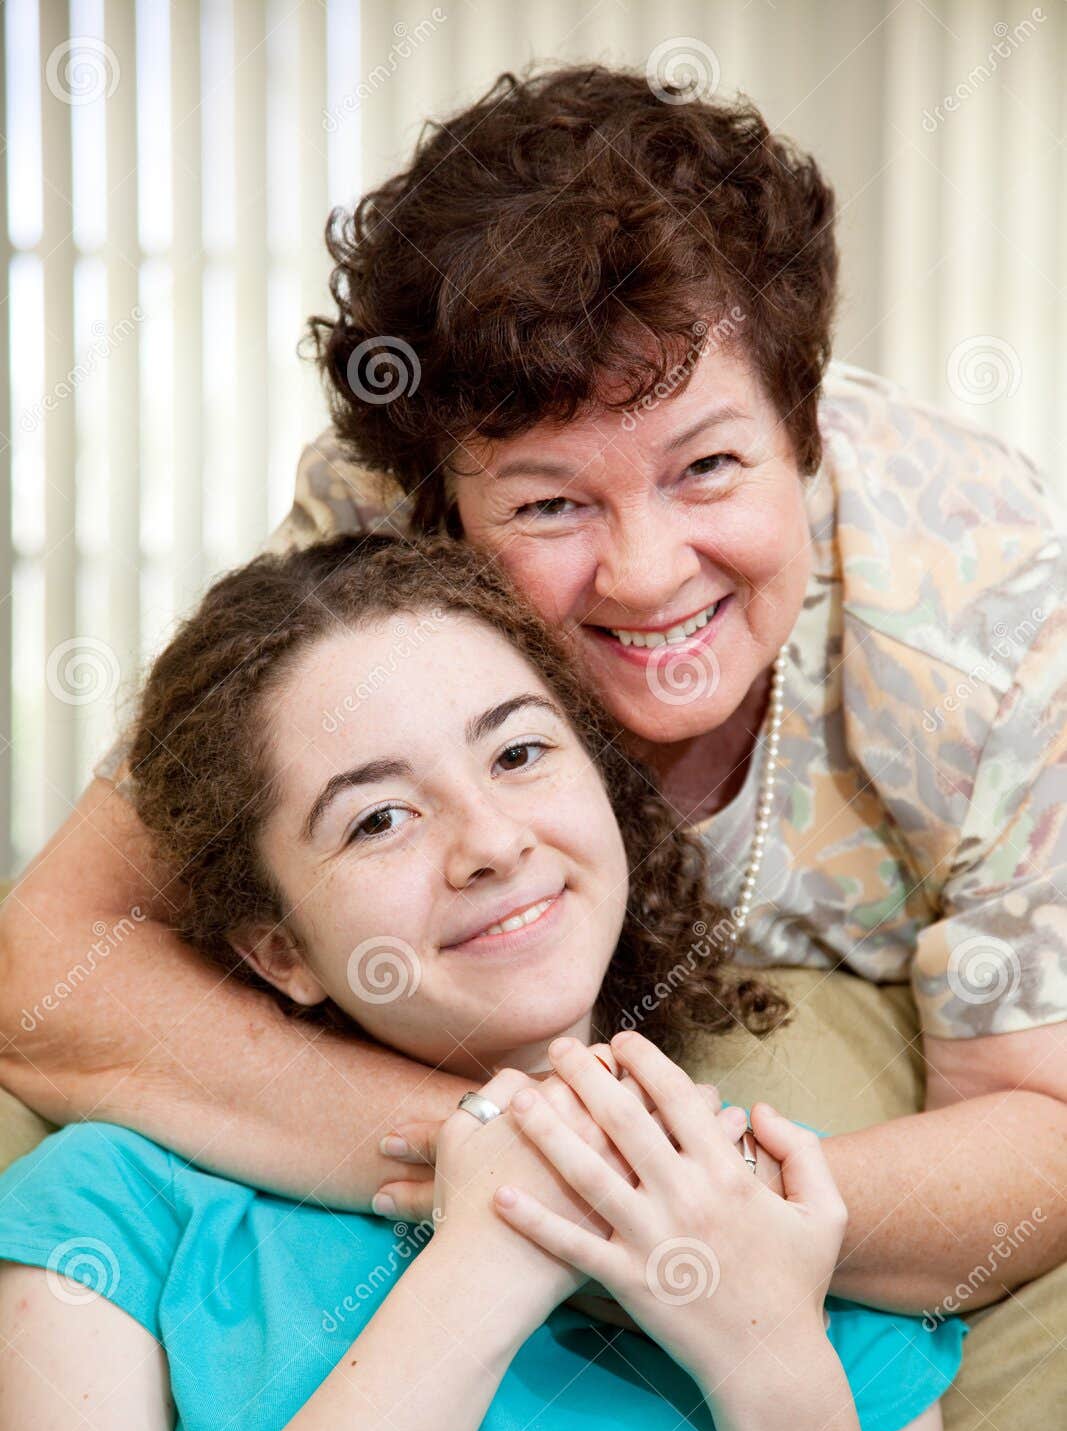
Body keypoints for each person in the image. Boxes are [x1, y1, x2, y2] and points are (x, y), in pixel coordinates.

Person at [1, 66, 1063, 1316]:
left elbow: (1031, 1123)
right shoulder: (373, 511)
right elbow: (49, 975)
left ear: (804, 428)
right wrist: (504, 1156)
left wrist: (670, 1216)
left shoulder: (987, 601)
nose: (647, 571)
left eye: (709, 467)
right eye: (551, 503)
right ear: (440, 511)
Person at [0, 536, 961, 1431]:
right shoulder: (109, 1213)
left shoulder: (786, 1217)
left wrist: (772, 1358)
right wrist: (482, 1266)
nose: (491, 842)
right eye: (377, 818)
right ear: (279, 947)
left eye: (516, 755)